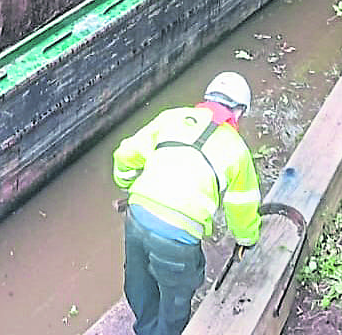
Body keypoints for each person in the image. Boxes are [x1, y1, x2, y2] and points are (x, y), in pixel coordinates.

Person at [112, 72, 261, 335]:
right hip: (178, 236)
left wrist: (126, 184)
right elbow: (242, 206)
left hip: (137, 216)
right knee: (176, 300)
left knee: (138, 284)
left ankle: (145, 328)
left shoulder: (171, 117)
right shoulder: (237, 149)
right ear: (238, 112)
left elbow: (125, 155)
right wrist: (247, 239)